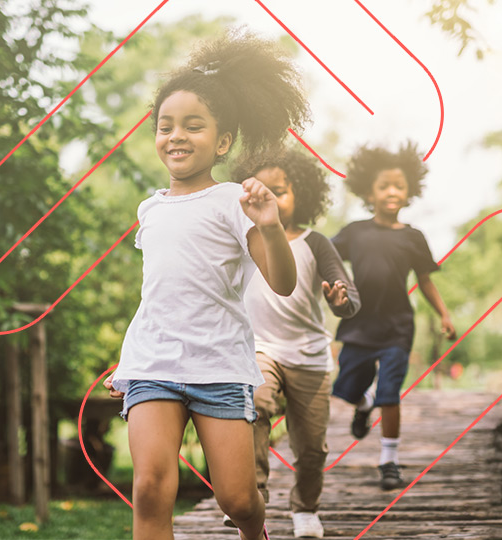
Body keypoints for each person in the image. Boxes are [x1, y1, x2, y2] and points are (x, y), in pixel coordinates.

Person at [102, 28, 309, 540]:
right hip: (154, 363)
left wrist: (269, 224)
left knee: (237, 498)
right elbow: (158, 295)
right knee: (150, 488)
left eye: (193, 126)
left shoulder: (234, 201)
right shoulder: (149, 209)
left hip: (217, 364)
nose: (176, 136)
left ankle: (253, 532)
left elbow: (283, 282)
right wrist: (129, 363)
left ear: (221, 141)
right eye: (165, 125)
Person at [217, 148, 359, 538]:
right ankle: (253, 495)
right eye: (262, 191)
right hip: (260, 350)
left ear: (302, 194)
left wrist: (340, 299)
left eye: (280, 191)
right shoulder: (243, 241)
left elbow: (347, 293)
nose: (271, 200)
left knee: (311, 448)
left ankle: (305, 508)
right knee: (256, 405)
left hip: (309, 357)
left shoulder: (316, 243)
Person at [330, 142, 457, 491]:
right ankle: (363, 402)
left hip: (397, 329)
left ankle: (389, 461)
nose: (391, 192)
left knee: (390, 392)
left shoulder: (414, 238)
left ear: (409, 192)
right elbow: (323, 257)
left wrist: (444, 315)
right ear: (369, 191)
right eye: (384, 185)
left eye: (398, 186)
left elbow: (426, 282)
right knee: (347, 387)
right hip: (358, 325)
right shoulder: (354, 232)